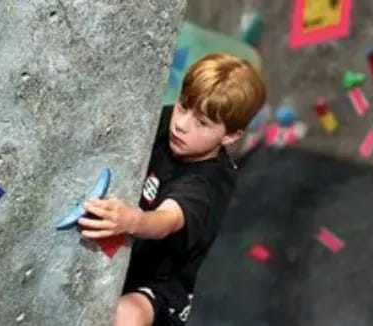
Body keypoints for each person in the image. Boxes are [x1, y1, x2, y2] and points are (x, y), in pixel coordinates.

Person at [78, 53, 266, 326]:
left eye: (202, 122)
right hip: (130, 251)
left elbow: (167, 220)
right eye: (183, 105)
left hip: (160, 284)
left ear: (230, 136)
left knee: (126, 315)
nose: (181, 123)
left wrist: (131, 220)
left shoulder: (206, 184)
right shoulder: (170, 122)